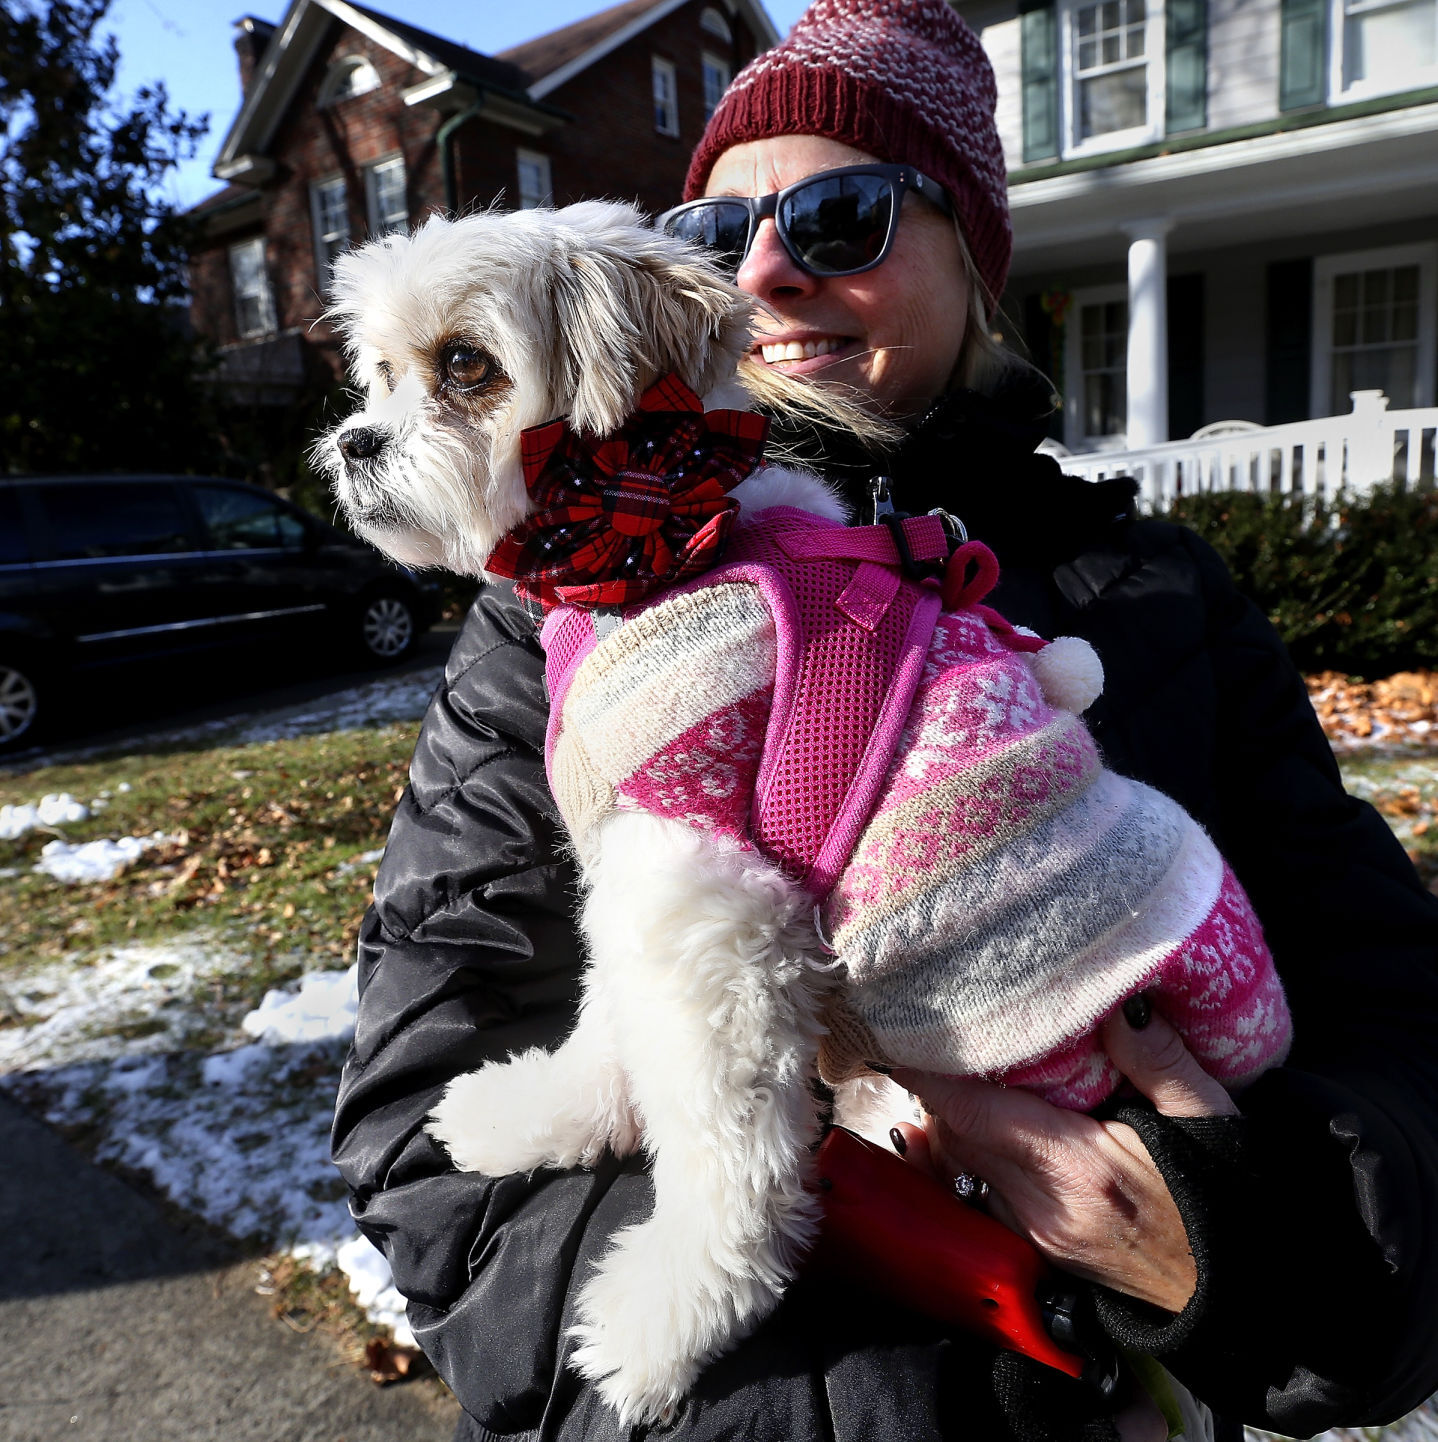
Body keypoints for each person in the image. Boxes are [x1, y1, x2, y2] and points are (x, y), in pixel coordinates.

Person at [330, 2, 1438, 1438]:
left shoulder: (1159, 591)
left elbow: (1395, 1007)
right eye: (714, 233)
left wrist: (1228, 1239)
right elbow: (428, 1115)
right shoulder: (552, 615)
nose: (766, 272)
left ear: (973, 262)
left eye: (842, 214)